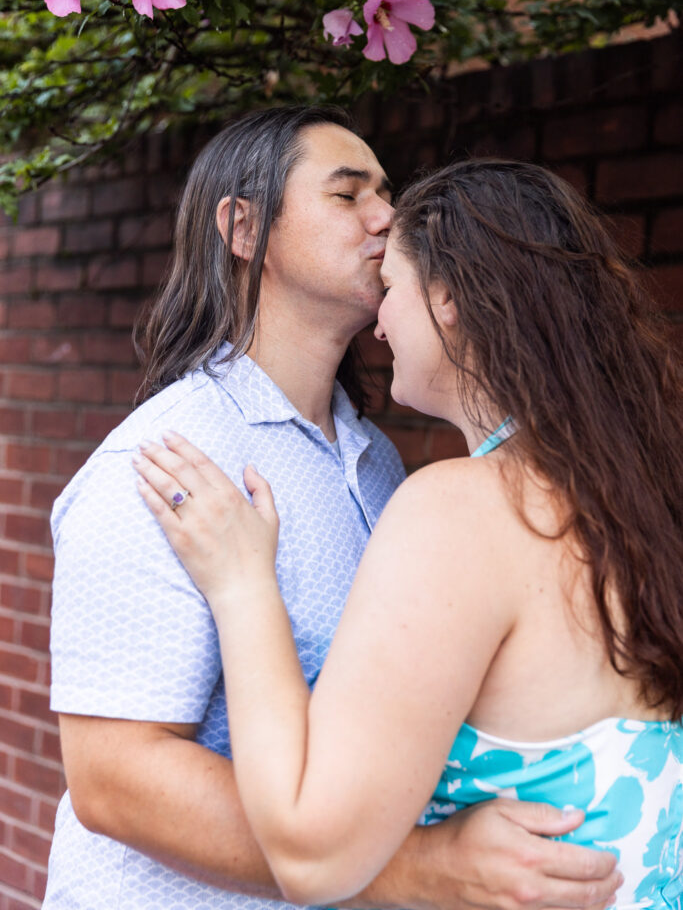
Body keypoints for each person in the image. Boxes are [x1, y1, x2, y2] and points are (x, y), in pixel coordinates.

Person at [46, 110, 621, 910]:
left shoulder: (378, 462)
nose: (386, 217)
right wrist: (419, 871)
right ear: (243, 228)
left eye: (385, 194)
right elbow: (113, 778)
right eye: (348, 194)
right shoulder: (165, 461)